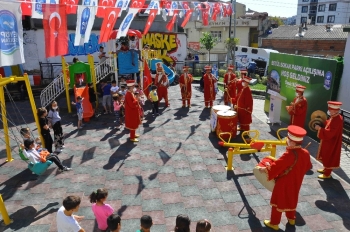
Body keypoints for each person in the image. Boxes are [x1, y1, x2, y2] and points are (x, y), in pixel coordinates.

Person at [260, 125, 311, 230]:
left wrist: (264, 169)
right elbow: (308, 166)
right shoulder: (305, 153)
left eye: (288, 139)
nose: (287, 141)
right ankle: (291, 218)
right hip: (297, 181)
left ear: (292, 142)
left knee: (278, 201)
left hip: (284, 182)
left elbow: (276, 166)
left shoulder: (289, 155)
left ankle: (274, 223)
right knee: (291, 199)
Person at [315, 101, 343, 179]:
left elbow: (331, 132)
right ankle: (325, 169)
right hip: (329, 141)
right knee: (326, 155)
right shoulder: (334, 117)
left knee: (330, 156)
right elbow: (329, 124)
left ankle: (327, 174)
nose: (329, 111)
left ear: (336, 110)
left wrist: (320, 129)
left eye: (331, 110)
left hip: (332, 142)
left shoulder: (338, 119)